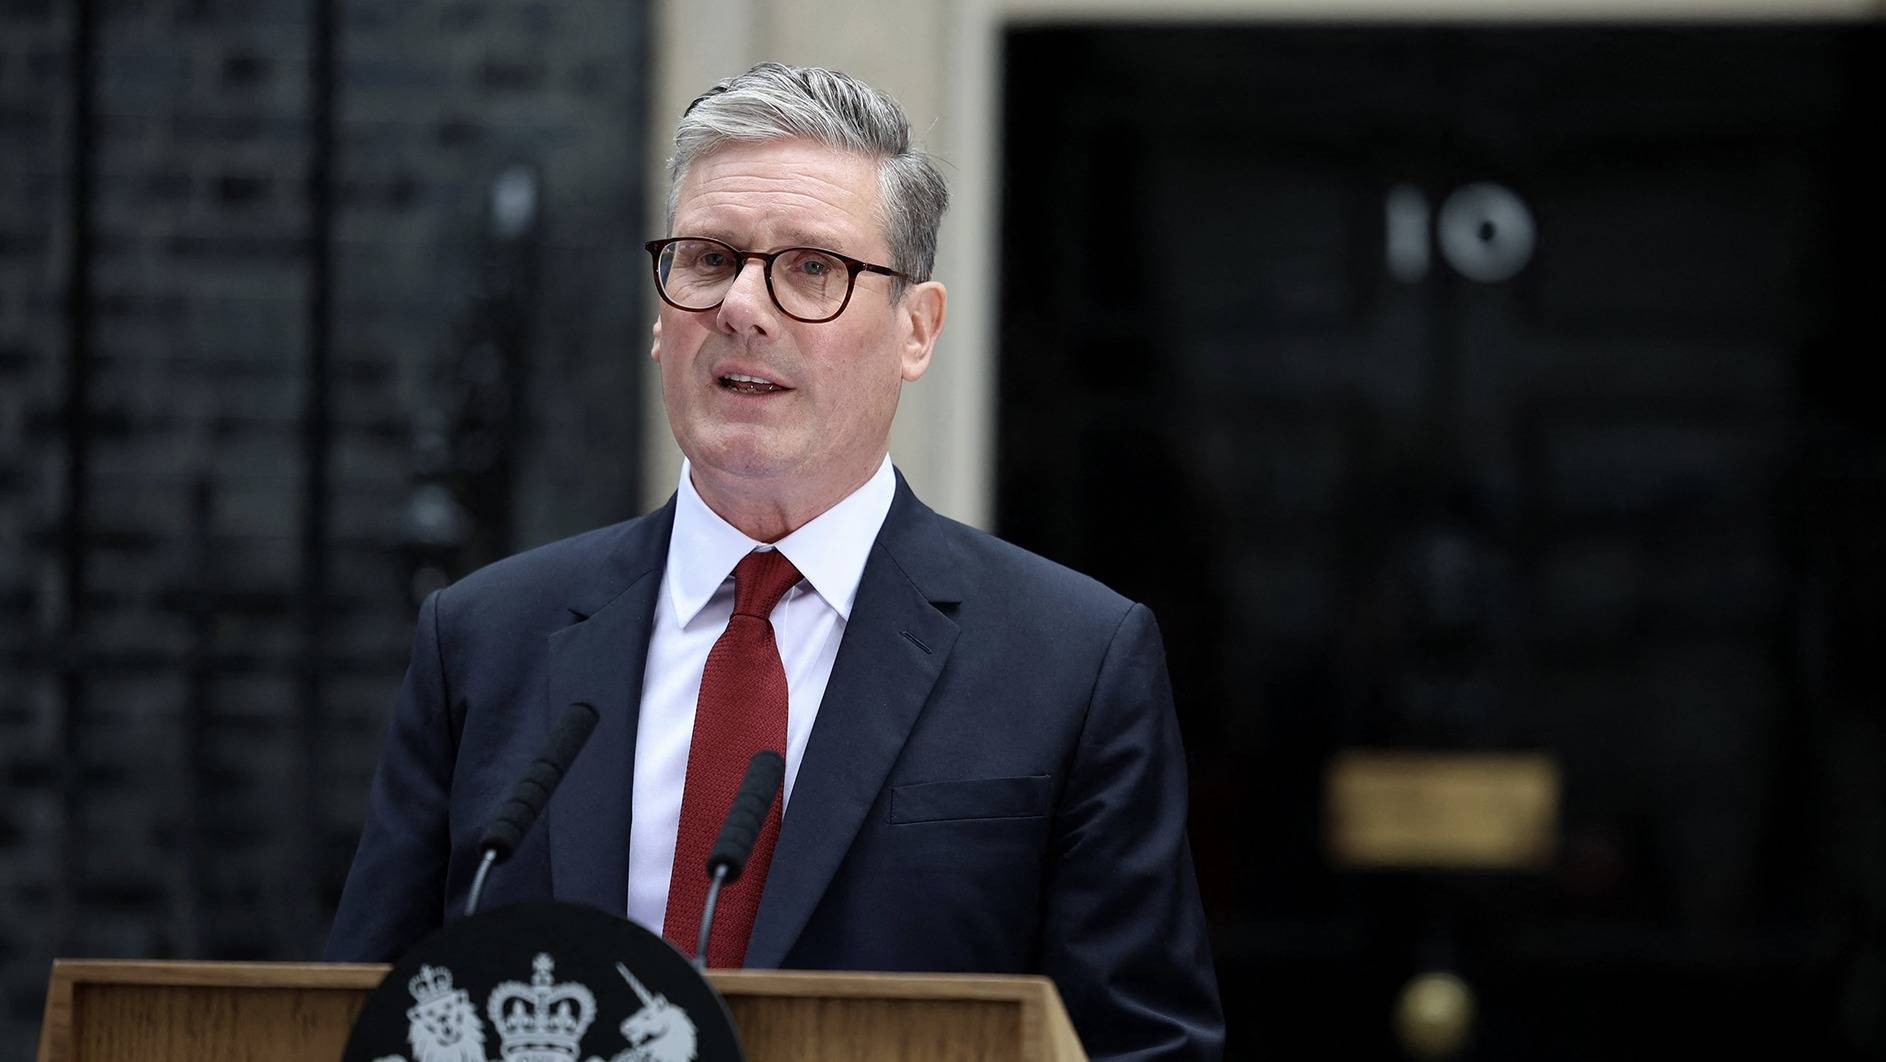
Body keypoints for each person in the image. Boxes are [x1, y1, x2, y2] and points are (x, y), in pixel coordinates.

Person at [326, 62, 1224, 1060]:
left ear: (916, 330)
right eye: (709, 260)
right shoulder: (484, 639)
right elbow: (363, 1011)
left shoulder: (1071, 662)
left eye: (811, 269)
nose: (742, 307)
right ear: (661, 316)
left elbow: (1144, 1047)